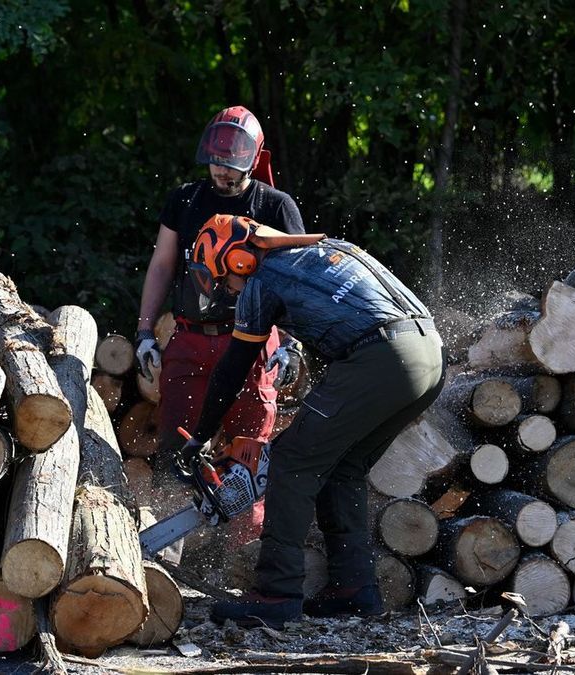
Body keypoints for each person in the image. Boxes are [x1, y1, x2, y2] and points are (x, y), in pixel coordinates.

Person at [178, 214, 445, 628]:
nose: (224, 288)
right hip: (428, 351)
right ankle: (354, 588)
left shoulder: (263, 279)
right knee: (344, 467)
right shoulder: (324, 250)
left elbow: (233, 370)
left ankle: (276, 593)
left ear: (240, 262)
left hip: (381, 357)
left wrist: (198, 437)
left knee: (293, 459)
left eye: (221, 277)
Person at [134, 106, 306, 516]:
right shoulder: (185, 199)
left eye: (231, 164)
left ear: (252, 159)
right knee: (176, 452)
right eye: (216, 162)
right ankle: (168, 559)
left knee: (247, 463)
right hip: (190, 340)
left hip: (252, 343)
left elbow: (302, 280)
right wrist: (144, 332)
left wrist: (294, 342)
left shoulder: (275, 206)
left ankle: (244, 566)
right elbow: (161, 265)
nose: (222, 171)